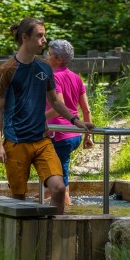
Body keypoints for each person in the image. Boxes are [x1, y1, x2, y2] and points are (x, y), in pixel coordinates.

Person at [0, 18, 95, 214]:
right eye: (40, 36)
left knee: (58, 188)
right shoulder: (6, 70)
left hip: (42, 140)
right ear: (25, 37)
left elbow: (56, 102)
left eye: (44, 35)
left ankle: (54, 234)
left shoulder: (44, 68)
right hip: (16, 142)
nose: (44, 40)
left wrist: (77, 121)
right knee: (19, 199)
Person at [44, 39, 94, 206]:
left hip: (59, 134)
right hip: (75, 134)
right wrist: (88, 136)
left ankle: (67, 209)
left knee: (60, 178)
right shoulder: (76, 78)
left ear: (58, 59)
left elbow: (59, 106)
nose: (46, 56)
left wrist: (38, 118)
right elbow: (86, 110)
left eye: (49, 54)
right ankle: (44, 195)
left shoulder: (54, 78)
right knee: (58, 170)